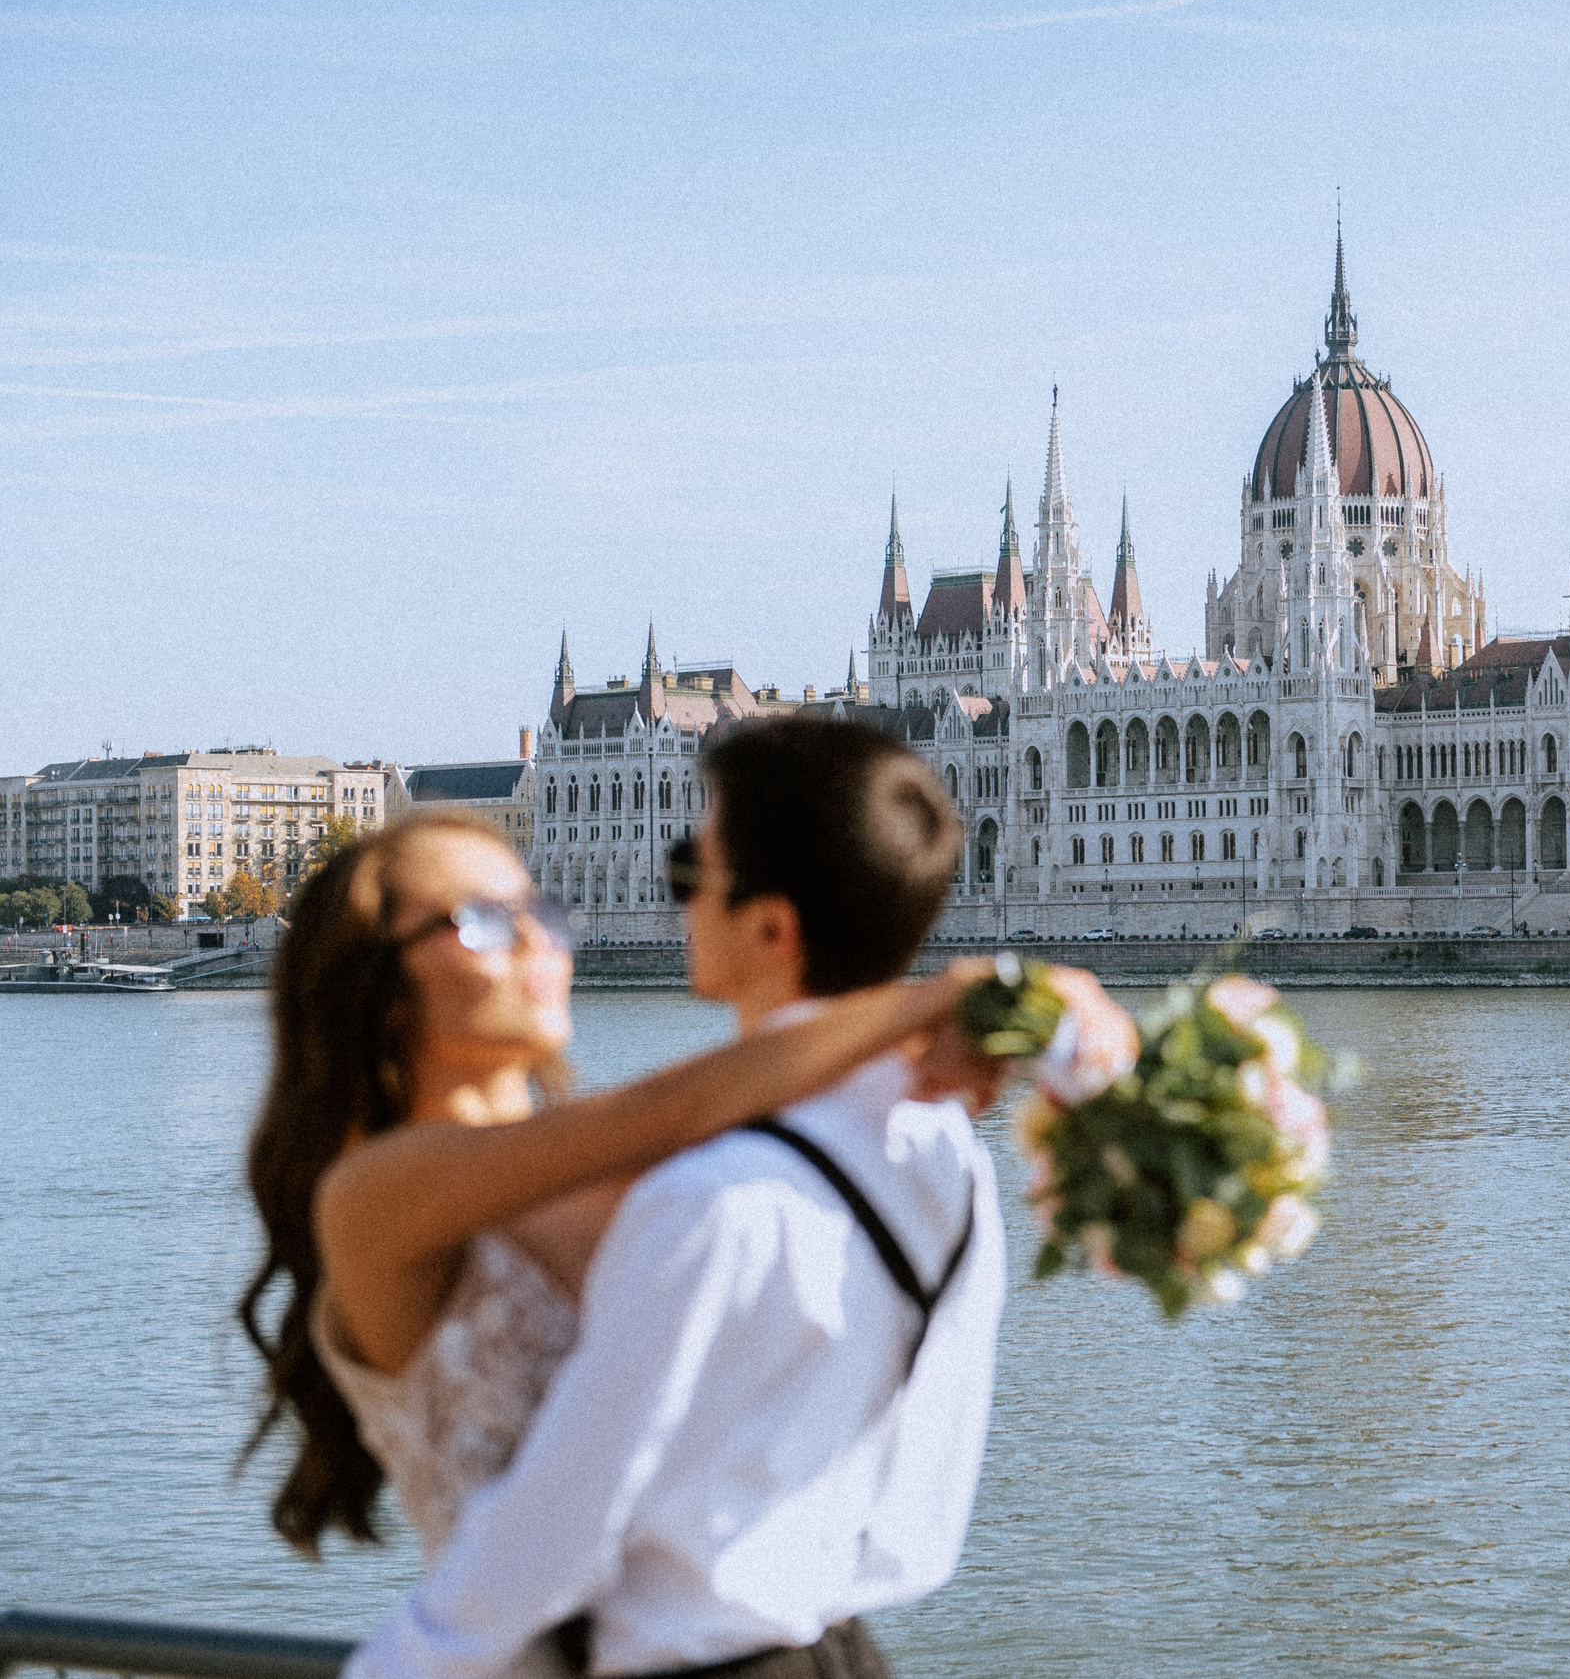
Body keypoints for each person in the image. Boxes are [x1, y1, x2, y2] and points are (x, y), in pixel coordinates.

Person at [347, 717, 1088, 1679]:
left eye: (691, 872)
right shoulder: (944, 1157)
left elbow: (562, 1520)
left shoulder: (713, 1199)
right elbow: (922, 1490)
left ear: (769, 927)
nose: (676, 900)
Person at [240, 811, 988, 1561]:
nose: (539, 941)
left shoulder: (626, 1166)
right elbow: (683, 1107)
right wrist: (932, 1004)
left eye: (541, 911)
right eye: (481, 921)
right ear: (378, 982)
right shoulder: (371, 1197)